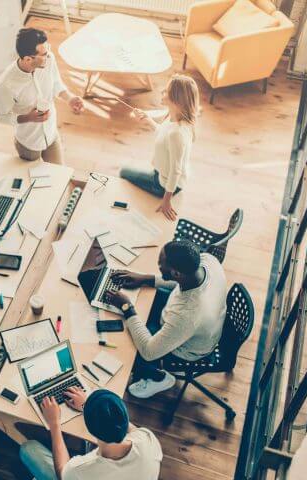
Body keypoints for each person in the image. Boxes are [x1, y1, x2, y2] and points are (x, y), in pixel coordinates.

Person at [106, 240, 227, 399]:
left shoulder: (188, 314)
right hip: (189, 319)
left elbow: (149, 352)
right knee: (142, 308)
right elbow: (180, 282)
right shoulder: (207, 261)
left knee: (128, 348)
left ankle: (159, 377)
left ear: (176, 273)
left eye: (160, 264)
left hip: (187, 349)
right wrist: (145, 279)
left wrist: (126, 306)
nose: (158, 265)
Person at [19, 388, 162, 479]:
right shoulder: (147, 438)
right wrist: (88, 405)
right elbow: (121, 422)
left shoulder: (82, 470)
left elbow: (62, 472)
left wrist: (54, 423)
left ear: (90, 428)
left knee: (28, 449)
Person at [0, 28, 84, 165]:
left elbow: (56, 84)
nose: (48, 55)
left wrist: (70, 98)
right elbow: (2, 116)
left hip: (51, 134)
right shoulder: (7, 84)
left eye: (47, 49)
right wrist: (28, 118)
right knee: (33, 181)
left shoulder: (49, 59)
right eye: (43, 54)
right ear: (27, 59)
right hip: (28, 142)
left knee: (58, 174)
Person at [120, 74, 200, 220]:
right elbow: (163, 133)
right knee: (131, 167)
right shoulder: (175, 118)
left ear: (176, 99)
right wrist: (147, 119)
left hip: (162, 184)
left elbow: (175, 171)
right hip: (163, 175)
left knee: (123, 171)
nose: (163, 92)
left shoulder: (177, 134)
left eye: (166, 91)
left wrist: (166, 200)